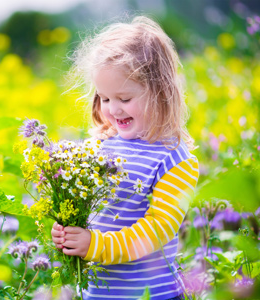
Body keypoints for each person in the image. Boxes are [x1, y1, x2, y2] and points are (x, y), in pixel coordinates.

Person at [51, 15, 199, 300]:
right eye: (104, 99)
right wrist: (67, 231)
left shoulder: (175, 159)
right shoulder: (101, 147)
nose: (113, 110)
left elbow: (157, 230)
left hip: (153, 295)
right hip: (98, 294)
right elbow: (87, 211)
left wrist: (94, 245)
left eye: (124, 98)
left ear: (160, 93)